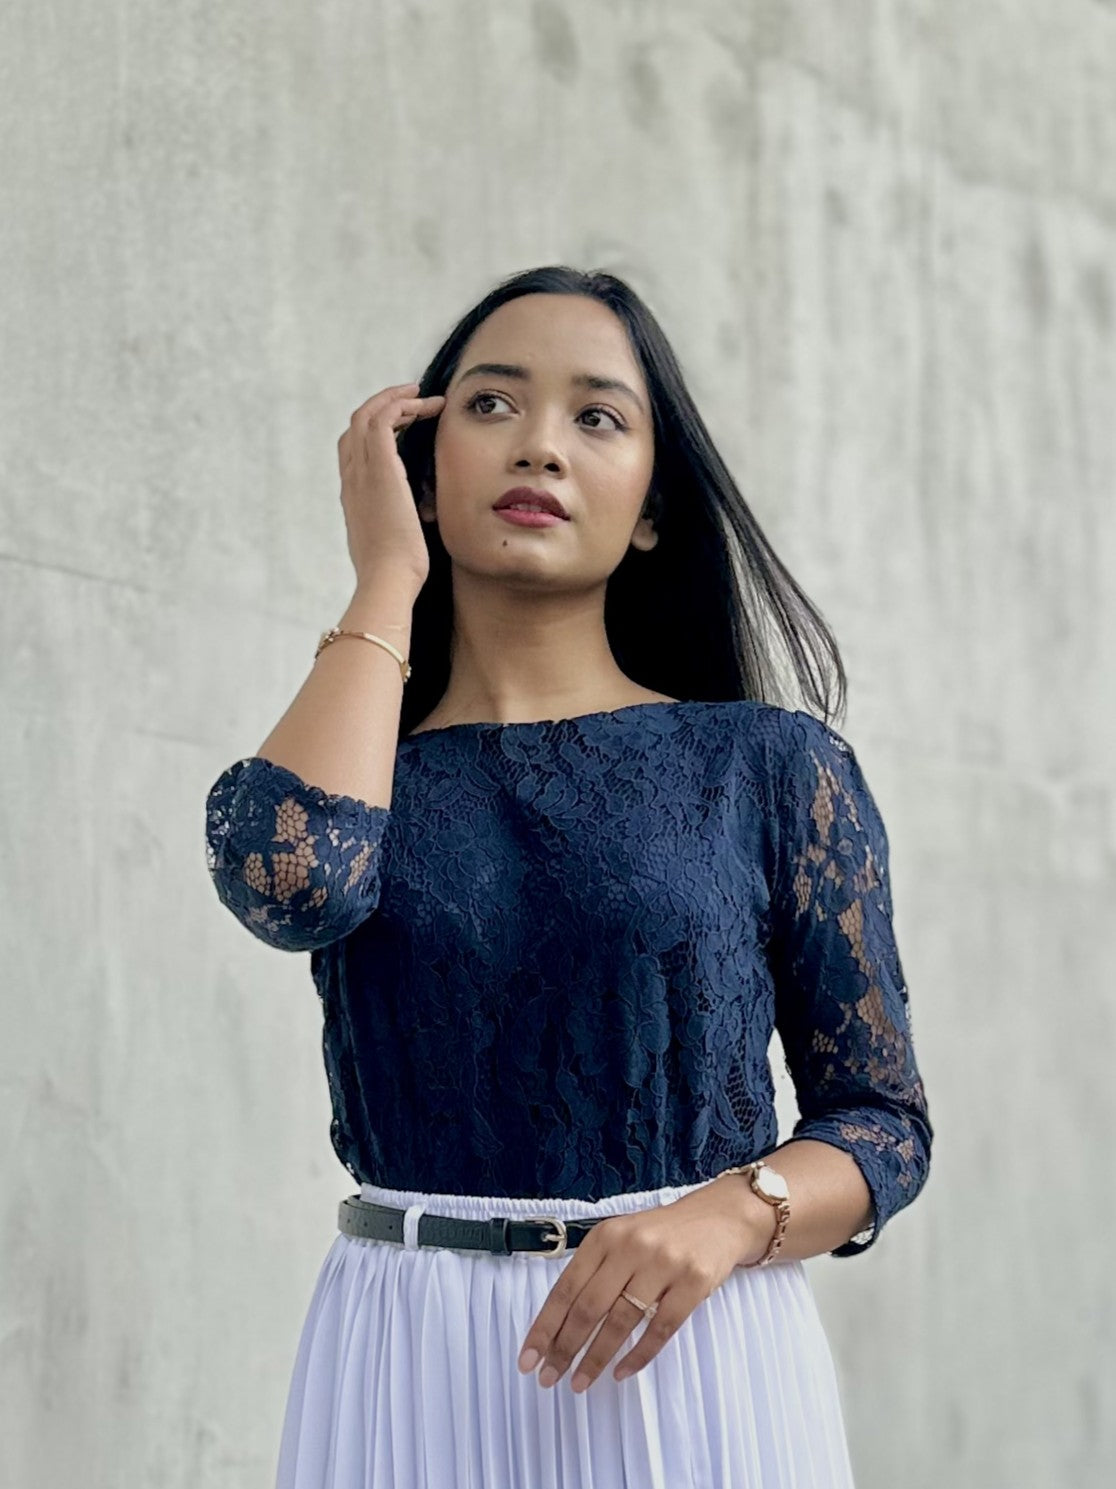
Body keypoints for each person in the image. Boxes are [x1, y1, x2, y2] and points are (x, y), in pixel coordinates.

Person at [204, 265, 933, 1488]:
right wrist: (387, 573)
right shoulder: (354, 775)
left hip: (685, 1354)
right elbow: (295, 887)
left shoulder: (766, 765)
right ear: (422, 468)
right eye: (490, 406)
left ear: (651, 505)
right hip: (400, 1353)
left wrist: (730, 1212)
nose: (538, 443)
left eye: (597, 416)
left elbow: (885, 1126)